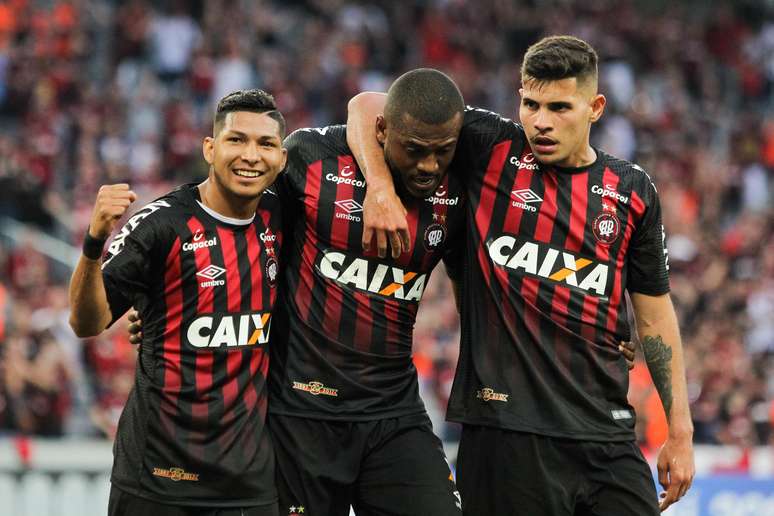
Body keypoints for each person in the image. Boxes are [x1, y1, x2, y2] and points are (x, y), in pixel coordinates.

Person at [347, 35, 695, 515]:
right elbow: (369, 106)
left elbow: (655, 318)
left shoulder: (633, 191)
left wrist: (680, 432)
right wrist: (380, 190)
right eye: (530, 104)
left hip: (606, 433)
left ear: (595, 107)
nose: (541, 121)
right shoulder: (490, 146)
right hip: (505, 432)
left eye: (559, 107)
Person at [68, 89, 287, 516]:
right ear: (210, 147)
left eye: (266, 144)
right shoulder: (160, 225)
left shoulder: (285, 216)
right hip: (157, 478)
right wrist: (94, 242)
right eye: (236, 139)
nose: (251, 155)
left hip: (249, 484)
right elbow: (85, 322)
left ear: (282, 157)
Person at [268, 67, 465, 516]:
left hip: (392, 412)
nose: (429, 165)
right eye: (414, 150)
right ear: (383, 131)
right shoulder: (312, 158)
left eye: (441, 152)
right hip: (302, 412)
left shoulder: (461, 178)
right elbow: (241, 239)